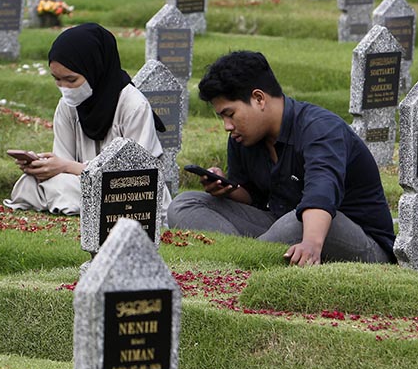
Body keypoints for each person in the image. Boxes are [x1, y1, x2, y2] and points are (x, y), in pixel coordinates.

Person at [167, 50, 395, 265]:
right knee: (185, 204)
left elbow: (321, 194)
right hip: (280, 224)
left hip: (355, 238)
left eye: (230, 114)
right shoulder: (242, 137)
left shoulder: (321, 129)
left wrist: (310, 244)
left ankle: (242, 260)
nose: (227, 126)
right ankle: (243, 256)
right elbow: (253, 197)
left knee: (295, 221)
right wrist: (227, 189)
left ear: (258, 98)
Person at [5, 23, 165, 215]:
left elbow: (136, 177)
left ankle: (62, 203)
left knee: (65, 187)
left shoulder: (133, 106)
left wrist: (66, 166)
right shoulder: (67, 106)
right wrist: (44, 165)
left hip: (127, 194)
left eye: (71, 80)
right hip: (78, 183)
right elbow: (61, 165)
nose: (64, 87)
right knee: (31, 182)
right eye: (57, 79)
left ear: (95, 70)